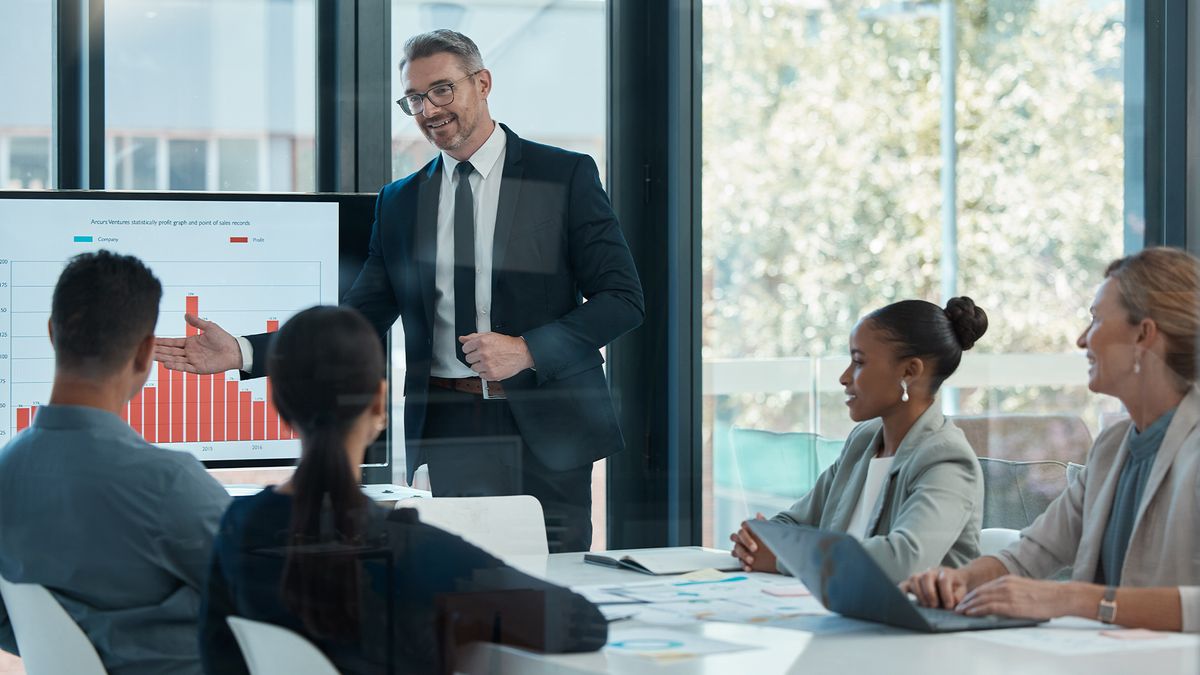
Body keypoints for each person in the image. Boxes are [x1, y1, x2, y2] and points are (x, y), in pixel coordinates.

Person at [154, 29, 644, 553]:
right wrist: (246, 351)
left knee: (558, 587)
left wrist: (527, 350)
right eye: (413, 98)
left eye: (441, 90)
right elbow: (357, 319)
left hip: (550, 425)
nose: (428, 109)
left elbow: (621, 299)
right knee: (465, 589)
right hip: (453, 427)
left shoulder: (563, 175)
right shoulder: (401, 201)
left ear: (482, 83)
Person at [199, 306, 607, 674]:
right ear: (379, 404)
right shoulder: (412, 551)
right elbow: (582, 624)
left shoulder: (239, 527)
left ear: (280, 404)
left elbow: (218, 656)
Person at [903, 247, 1200, 632]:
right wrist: (957, 580)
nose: (1081, 340)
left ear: (1143, 335)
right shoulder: (1114, 446)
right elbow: (1033, 553)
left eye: (1095, 321)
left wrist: (1073, 599)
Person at [0, 251, 231, 674]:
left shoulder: (5, 471)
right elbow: (264, 598)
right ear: (145, 353)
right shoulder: (168, 484)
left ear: (53, 334)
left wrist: (77, 643)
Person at [729, 297, 989, 583]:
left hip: (909, 624)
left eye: (858, 362)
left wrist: (783, 556)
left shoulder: (947, 459)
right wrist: (758, 539)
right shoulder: (863, 442)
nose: (844, 377)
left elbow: (902, 560)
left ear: (909, 371)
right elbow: (796, 522)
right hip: (845, 615)